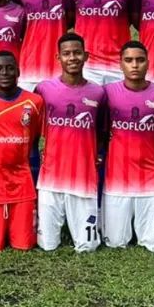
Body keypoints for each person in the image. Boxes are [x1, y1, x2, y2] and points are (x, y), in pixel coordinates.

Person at [35, 31, 106, 253]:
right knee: (47, 246)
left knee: (88, 246)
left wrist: (98, 153)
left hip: (83, 179)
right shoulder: (44, 89)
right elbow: (35, 128)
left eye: (77, 53)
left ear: (86, 56)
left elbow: (103, 130)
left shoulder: (98, 93)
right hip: (51, 178)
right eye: (66, 54)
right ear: (58, 58)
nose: (72, 58)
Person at [100, 41, 154, 250]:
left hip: (152, 180)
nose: (134, 65)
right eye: (128, 60)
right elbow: (99, 130)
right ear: (120, 64)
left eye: (140, 60)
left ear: (148, 63)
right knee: (115, 242)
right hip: (116, 180)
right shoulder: (107, 93)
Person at [0, 52, 42, 252]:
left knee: (23, 245)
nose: (5, 72)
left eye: (10, 68)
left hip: (22, 182)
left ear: (18, 71)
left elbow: (35, 137)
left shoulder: (35, 102)